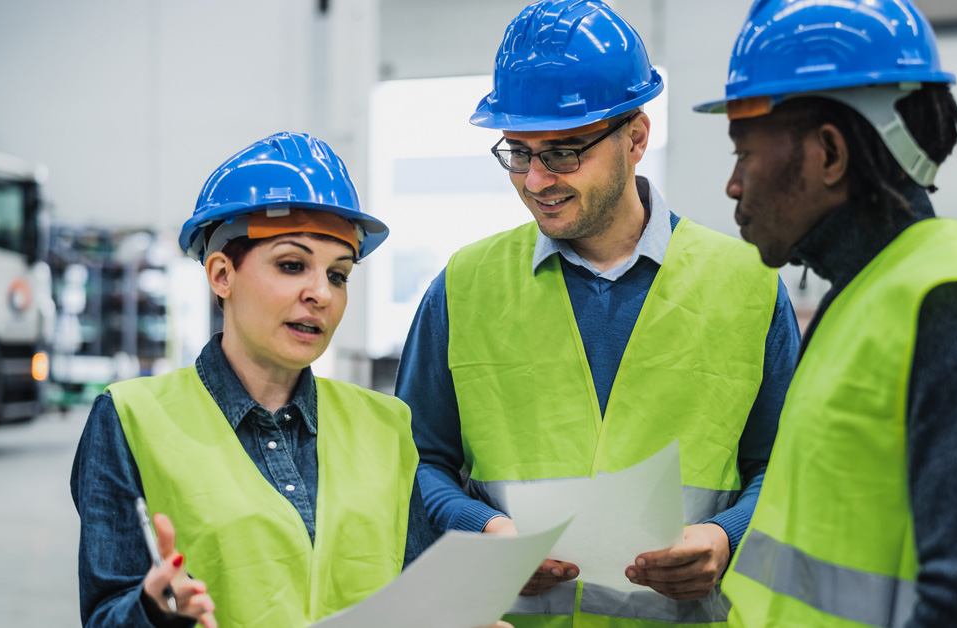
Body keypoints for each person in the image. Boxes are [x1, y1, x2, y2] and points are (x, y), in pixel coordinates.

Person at [394, 1, 801, 627]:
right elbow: (416, 460)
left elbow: (787, 464)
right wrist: (485, 527)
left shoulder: (748, 285)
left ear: (636, 137)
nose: (535, 180)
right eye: (517, 152)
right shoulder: (462, 286)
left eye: (562, 152)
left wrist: (727, 537)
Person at [694, 2, 957, 627]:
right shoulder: (866, 294)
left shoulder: (955, 316)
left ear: (828, 154)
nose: (733, 185)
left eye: (744, 153)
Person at [71, 132, 435, 628]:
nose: (321, 294)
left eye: (338, 275)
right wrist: (154, 612)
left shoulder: (385, 425)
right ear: (222, 274)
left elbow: (416, 599)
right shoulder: (131, 417)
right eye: (292, 265)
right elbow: (105, 616)